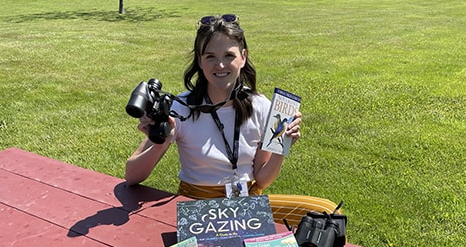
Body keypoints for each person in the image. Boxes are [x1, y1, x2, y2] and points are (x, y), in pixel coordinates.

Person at [125, 14, 339, 226]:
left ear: (243, 57)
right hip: (199, 207)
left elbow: (262, 179)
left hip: (245, 202)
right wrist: (160, 141)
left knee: (328, 214)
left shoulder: (260, 106)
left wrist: (282, 146)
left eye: (229, 55)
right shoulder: (181, 107)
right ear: (200, 61)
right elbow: (132, 175)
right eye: (210, 57)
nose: (220, 65)